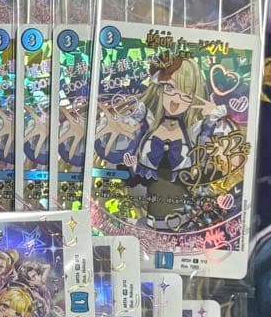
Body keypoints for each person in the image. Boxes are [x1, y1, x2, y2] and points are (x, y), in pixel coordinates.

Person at [95, 51, 234, 230]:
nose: (176, 99)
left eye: (185, 94)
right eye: (169, 88)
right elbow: (128, 170)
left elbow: (226, 156)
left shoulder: (195, 131)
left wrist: (218, 115)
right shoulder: (147, 126)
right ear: (159, 88)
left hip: (187, 226)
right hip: (149, 224)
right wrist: (132, 166)